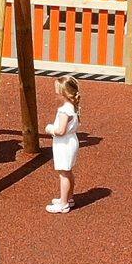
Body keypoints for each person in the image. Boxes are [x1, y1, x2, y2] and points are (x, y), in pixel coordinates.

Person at [43, 79, 82, 214]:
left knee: (63, 173)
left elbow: (60, 131)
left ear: (63, 93)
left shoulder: (64, 111)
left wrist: (49, 129)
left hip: (64, 144)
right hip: (71, 140)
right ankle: (68, 198)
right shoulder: (73, 107)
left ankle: (64, 203)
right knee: (68, 171)